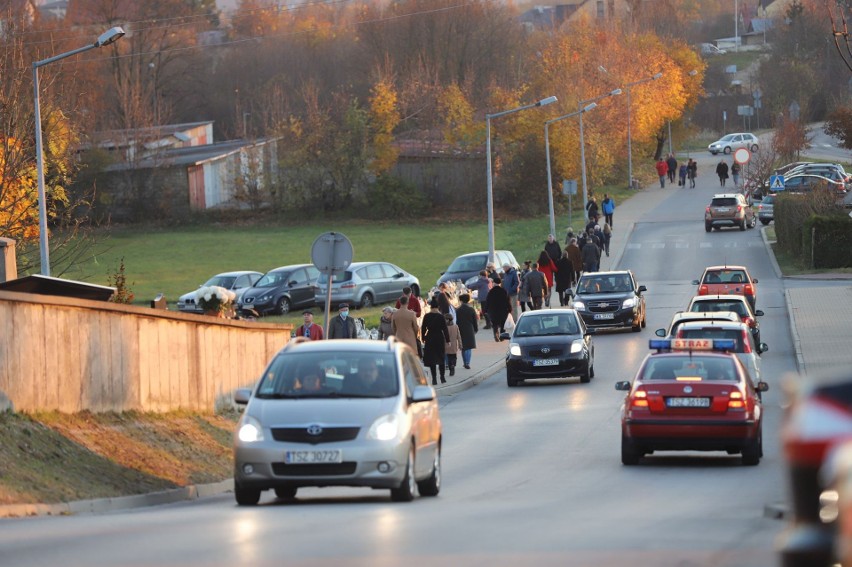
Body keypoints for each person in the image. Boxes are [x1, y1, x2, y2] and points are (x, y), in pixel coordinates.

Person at [421, 299, 450, 384]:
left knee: (432, 359)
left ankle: (434, 379)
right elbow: (445, 329)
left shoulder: (426, 316)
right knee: (441, 357)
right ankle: (442, 377)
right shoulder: (441, 316)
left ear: (430, 307)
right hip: (439, 338)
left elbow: (423, 328)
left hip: (430, 338)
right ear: (438, 307)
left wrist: (423, 337)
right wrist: (448, 340)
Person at [455, 293, 478, 369]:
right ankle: (467, 362)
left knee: (463, 347)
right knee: (469, 347)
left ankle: (465, 362)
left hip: (461, 329)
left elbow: (456, 321)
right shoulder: (471, 309)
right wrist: (476, 329)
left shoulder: (457, 310)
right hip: (469, 329)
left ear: (461, 301)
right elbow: (474, 321)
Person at [484, 275, 511, 340]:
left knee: (495, 323)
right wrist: (509, 308)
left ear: (494, 283)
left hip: (493, 310)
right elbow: (507, 300)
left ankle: (496, 334)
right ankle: (502, 336)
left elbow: (487, 301)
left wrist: (485, 309)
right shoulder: (503, 291)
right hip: (503, 310)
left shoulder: (491, 291)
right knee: (502, 324)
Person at [444, 312, 462, 377]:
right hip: (454, 345)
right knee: (454, 357)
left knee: (449, 358)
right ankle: (453, 365)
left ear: (448, 319)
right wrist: (460, 345)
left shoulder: (445, 328)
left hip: (447, 345)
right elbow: (459, 336)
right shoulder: (456, 326)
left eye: (445, 319)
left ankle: (451, 367)